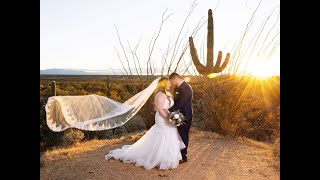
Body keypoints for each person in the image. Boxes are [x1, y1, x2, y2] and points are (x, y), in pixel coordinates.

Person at [105, 77, 185, 170]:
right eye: (168, 83)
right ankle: (158, 158)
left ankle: (168, 158)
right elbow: (159, 109)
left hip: (167, 116)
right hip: (162, 119)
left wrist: (172, 116)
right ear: (163, 84)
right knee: (163, 135)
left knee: (171, 135)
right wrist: (169, 119)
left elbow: (167, 108)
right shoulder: (160, 95)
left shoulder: (168, 94)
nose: (170, 84)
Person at [168, 73, 193, 164]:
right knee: (179, 135)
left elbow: (180, 103)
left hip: (185, 116)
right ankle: (178, 154)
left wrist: (167, 110)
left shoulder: (185, 88)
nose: (172, 83)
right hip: (179, 115)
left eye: (172, 81)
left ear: (175, 79)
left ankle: (183, 156)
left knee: (183, 135)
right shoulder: (179, 88)